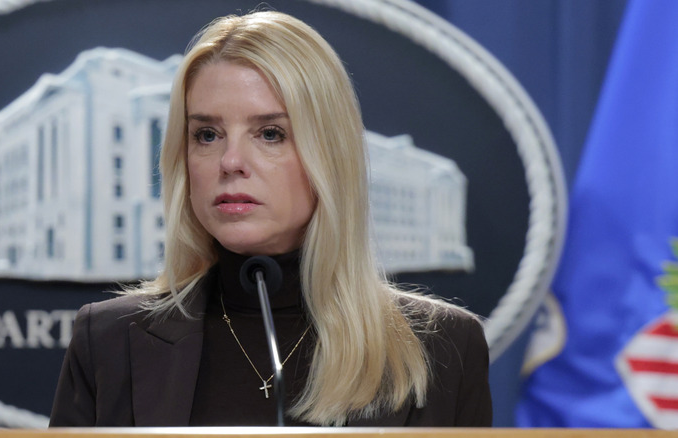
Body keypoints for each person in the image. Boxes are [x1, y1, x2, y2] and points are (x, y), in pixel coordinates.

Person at [49, 10, 491, 427]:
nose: (231, 160)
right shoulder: (108, 340)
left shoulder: (445, 346)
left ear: (329, 155)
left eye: (270, 133)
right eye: (207, 134)